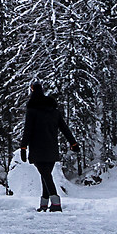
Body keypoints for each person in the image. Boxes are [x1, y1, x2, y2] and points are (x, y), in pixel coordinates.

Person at [20, 82, 78, 212]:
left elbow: (27, 130)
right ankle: (44, 204)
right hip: (51, 148)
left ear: (32, 91)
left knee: (45, 175)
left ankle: (56, 203)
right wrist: (73, 143)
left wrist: (23, 147)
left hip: (37, 148)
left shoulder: (32, 110)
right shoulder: (54, 111)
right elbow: (64, 128)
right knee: (45, 175)